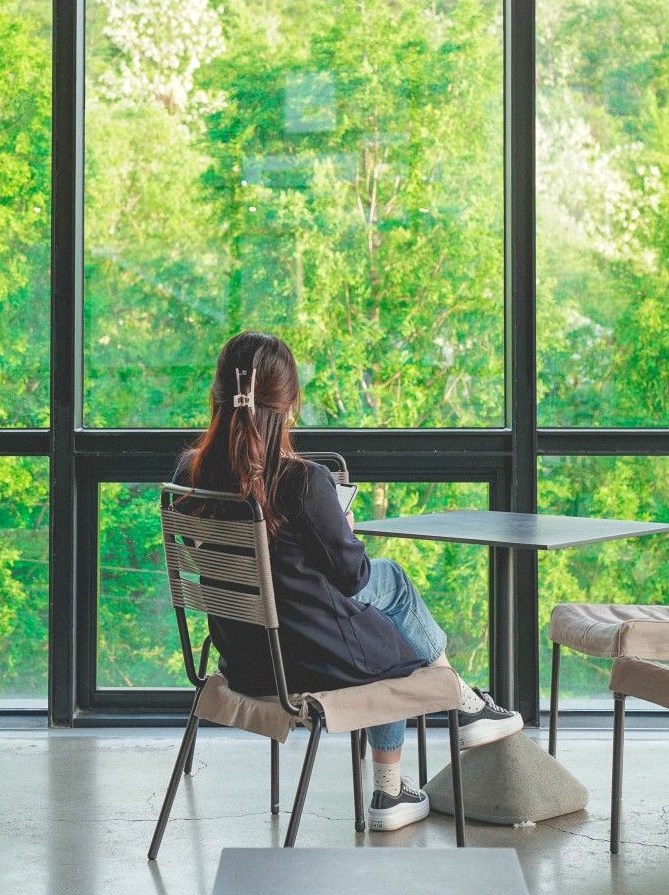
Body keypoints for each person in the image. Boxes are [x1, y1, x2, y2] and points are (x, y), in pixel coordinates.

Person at [173, 331, 523, 832]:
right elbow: (353, 574)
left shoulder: (189, 472)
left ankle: (452, 719)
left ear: (217, 395)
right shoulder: (303, 482)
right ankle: (425, 743)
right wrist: (341, 526)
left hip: (245, 659)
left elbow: (286, 570)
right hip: (306, 662)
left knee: (385, 596)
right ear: (290, 405)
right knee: (390, 606)